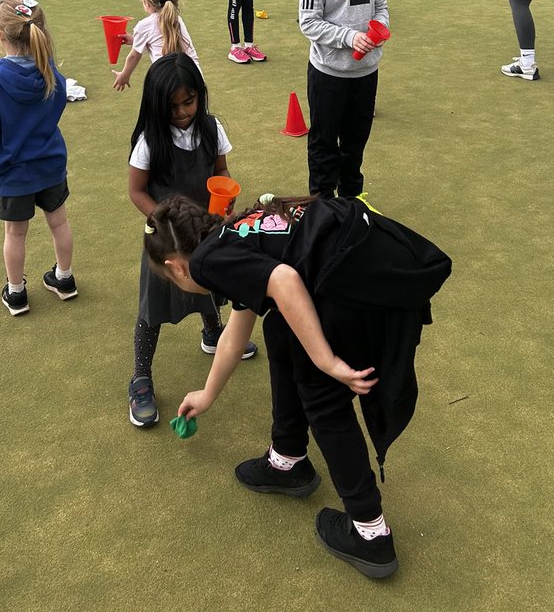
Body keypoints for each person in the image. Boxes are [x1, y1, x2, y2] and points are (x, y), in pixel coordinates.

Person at [144, 191, 451, 579]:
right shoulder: (232, 234)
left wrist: (327, 360)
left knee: (323, 396)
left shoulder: (206, 263)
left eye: (170, 279)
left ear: (177, 267)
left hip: (362, 288)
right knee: (279, 325)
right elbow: (239, 330)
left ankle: (370, 534)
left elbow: (285, 279)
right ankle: (288, 459)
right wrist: (206, 394)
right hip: (381, 268)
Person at [127, 53, 257, 428]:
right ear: (157, 106)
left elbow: (221, 170)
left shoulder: (212, 129)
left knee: (209, 287)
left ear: (200, 96)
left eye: (190, 101)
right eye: (174, 106)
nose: (183, 111)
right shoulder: (151, 141)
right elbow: (136, 191)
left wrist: (226, 200)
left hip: (204, 230)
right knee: (152, 308)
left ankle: (214, 333)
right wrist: (164, 223)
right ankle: (140, 377)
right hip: (165, 239)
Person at [0, 0, 75, 316]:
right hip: (50, 165)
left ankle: (16, 293)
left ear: (0, 36)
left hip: (13, 173)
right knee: (59, 222)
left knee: (15, 232)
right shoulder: (52, 75)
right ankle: (64, 279)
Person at [298, 0, 387, 199]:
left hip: (365, 74)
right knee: (324, 144)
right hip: (328, 75)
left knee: (355, 143)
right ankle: (322, 207)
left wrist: (379, 28)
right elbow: (309, 21)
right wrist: (351, 37)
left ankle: (351, 203)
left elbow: (381, 7)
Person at [112, 0, 200, 91]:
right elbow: (165, 44)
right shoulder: (177, 19)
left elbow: (134, 57)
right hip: (195, 79)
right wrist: (135, 40)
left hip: (167, 83)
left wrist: (124, 76)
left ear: (146, 3)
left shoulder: (144, 26)